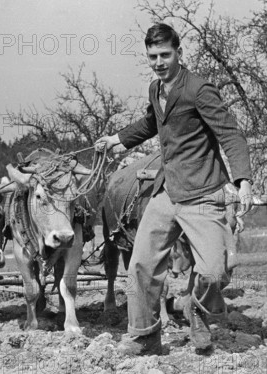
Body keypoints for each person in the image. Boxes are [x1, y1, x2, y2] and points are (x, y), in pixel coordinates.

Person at [95, 23, 253, 355]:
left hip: (203, 194)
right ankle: (144, 336)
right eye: (153, 56)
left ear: (179, 53)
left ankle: (195, 306)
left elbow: (231, 134)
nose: (159, 62)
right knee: (141, 263)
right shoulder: (156, 89)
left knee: (213, 272)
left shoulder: (199, 89)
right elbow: (153, 122)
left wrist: (243, 181)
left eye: (165, 54)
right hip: (167, 193)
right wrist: (117, 140)